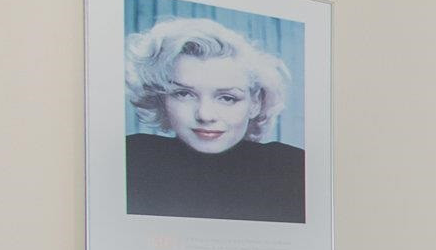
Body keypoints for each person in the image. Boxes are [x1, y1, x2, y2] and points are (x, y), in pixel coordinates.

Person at [124, 17, 305, 223]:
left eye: (227, 98)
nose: (205, 115)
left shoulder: (292, 169)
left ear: (255, 102)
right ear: (160, 96)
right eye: (184, 94)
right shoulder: (132, 157)